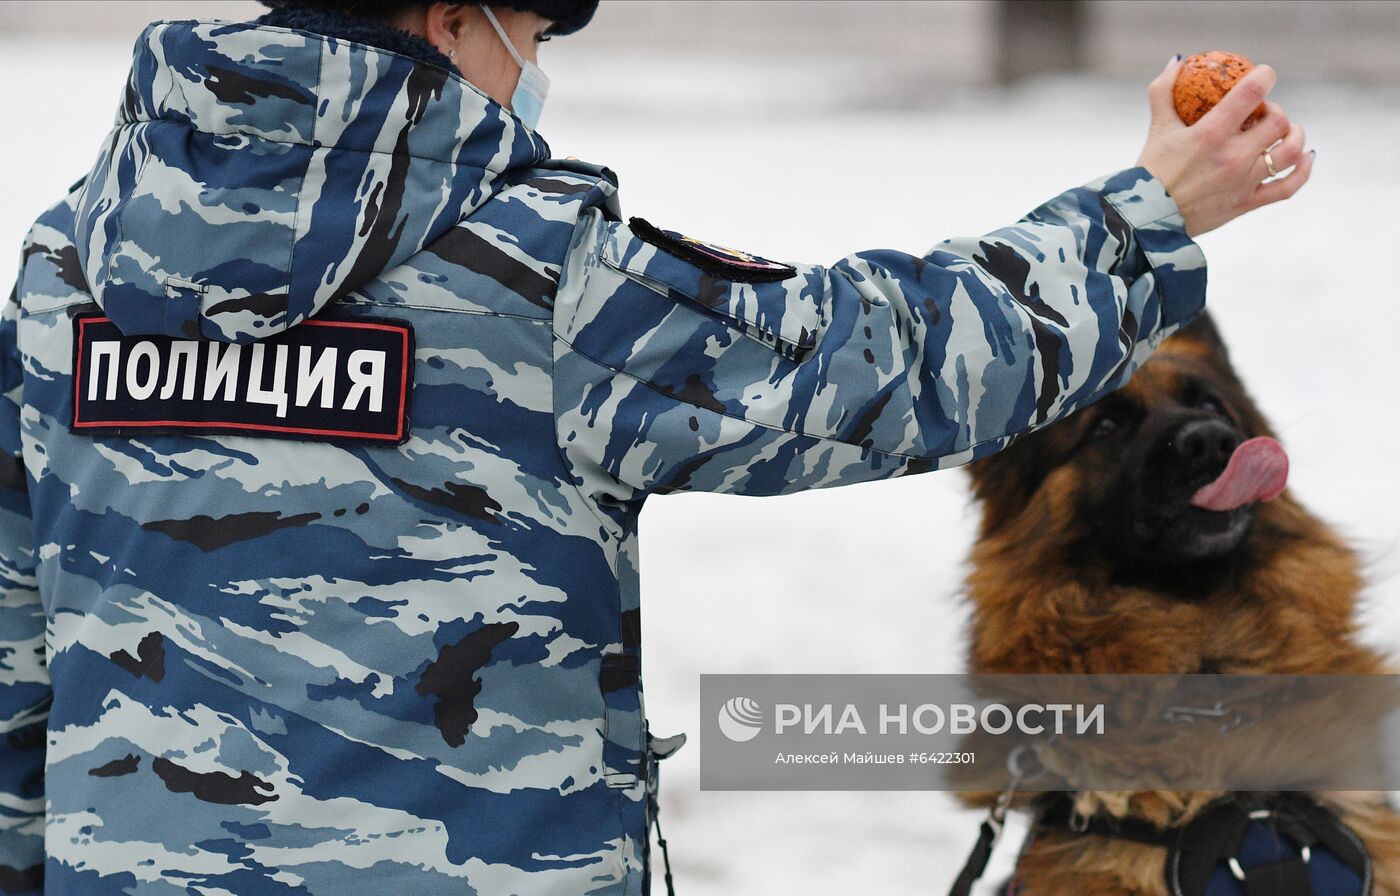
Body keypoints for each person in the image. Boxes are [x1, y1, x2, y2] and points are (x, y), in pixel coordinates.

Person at [0, 1, 1312, 894]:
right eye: (528, 30)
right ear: (454, 22)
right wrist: (1150, 218)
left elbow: (16, 638)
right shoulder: (538, 276)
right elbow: (865, 365)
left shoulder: (69, 265)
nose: (530, 70)